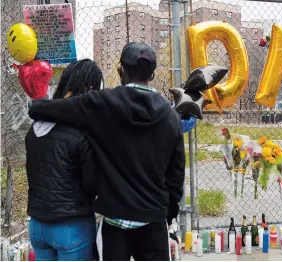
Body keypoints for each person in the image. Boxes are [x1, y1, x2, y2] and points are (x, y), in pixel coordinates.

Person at [28, 42, 186, 261]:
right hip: (153, 220)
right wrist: (168, 213)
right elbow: (176, 175)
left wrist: (37, 106)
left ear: (121, 69)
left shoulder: (102, 103)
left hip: (114, 222)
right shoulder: (170, 117)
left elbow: (48, 109)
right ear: (152, 74)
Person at [25, 59, 103, 261]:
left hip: (37, 225)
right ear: (90, 88)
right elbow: (91, 186)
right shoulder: (82, 129)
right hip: (71, 225)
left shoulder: (36, 126)